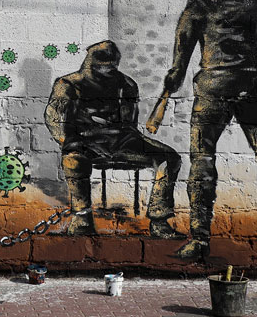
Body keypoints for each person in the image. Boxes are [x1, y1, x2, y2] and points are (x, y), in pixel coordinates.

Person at [162, 0, 257, 260]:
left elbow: (181, 52)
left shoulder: (200, 3)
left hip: (211, 89)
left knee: (202, 162)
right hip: (251, 85)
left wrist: (176, 76)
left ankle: (200, 238)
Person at [45, 40, 182, 237]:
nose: (107, 70)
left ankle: (159, 221)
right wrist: (70, 141)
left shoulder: (126, 85)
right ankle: (82, 219)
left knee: (169, 158)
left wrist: (111, 134)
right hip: (83, 143)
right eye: (102, 65)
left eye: (111, 65)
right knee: (73, 159)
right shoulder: (67, 84)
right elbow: (54, 119)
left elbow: (129, 125)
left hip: (121, 141)